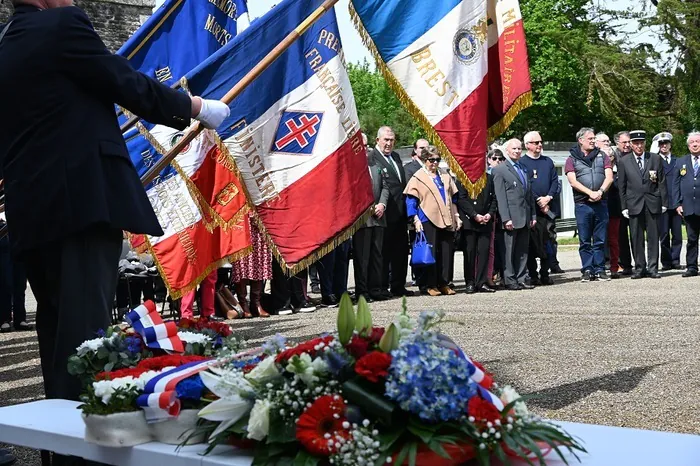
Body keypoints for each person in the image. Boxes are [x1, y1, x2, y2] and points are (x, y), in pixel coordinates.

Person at [0, 0, 230, 418]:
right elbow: (122, 80)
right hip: (81, 204)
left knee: (57, 338)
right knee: (86, 340)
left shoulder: (7, 44)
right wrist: (194, 108)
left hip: (33, 211)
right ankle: (84, 448)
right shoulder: (62, 24)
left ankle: (61, 447)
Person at [404, 146, 461, 296]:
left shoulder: (445, 175)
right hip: (427, 218)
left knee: (446, 251)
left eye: (437, 159)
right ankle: (429, 284)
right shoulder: (418, 177)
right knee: (430, 252)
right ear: (424, 160)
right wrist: (415, 219)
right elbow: (411, 201)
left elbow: (453, 198)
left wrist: (456, 216)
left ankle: (444, 282)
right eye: (431, 160)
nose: (435, 163)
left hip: (447, 217)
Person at [369, 126, 413, 298]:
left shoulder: (395, 156)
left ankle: (398, 285)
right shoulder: (372, 158)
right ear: (377, 140)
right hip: (383, 212)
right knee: (383, 251)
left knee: (401, 251)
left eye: (392, 140)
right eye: (386, 139)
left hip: (400, 213)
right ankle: (381, 286)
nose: (389, 143)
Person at [565, 128, 613, 282]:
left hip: (601, 203)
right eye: (590, 138)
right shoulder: (571, 159)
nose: (593, 141)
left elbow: (609, 177)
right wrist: (589, 193)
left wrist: (599, 191)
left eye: (594, 138)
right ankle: (587, 269)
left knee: (600, 239)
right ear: (580, 140)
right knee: (585, 240)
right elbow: (572, 181)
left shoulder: (602, 156)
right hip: (582, 204)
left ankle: (600, 269)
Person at [618, 130, 668, 279]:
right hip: (634, 204)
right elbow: (622, 186)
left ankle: (653, 268)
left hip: (652, 202)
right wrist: (624, 206)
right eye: (636, 143)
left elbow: (662, 182)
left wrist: (664, 202)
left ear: (645, 144)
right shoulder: (624, 161)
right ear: (631, 145)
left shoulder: (655, 159)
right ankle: (640, 268)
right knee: (636, 237)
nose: (639, 146)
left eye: (641, 143)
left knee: (653, 237)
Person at [493, 139, 536, 291]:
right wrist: (505, 218)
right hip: (511, 217)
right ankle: (509, 279)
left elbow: (529, 195)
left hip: (525, 216)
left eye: (519, 148)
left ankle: (522, 277)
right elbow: (500, 197)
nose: (518, 151)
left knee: (523, 250)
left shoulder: (524, 168)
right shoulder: (500, 170)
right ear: (507, 151)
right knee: (508, 251)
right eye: (514, 149)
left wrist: (533, 216)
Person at [353, 133, 390, 302]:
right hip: (363, 221)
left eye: (366, 145)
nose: (365, 148)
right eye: (362, 144)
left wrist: (382, 204)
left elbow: (385, 187)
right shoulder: (352, 168)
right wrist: (367, 207)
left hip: (379, 217)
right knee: (363, 258)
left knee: (377, 255)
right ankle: (362, 291)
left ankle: (375, 289)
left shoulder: (375, 166)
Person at [520, 131, 558, 286]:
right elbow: (526, 184)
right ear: (528, 145)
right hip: (533, 210)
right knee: (531, 244)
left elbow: (555, 181)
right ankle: (533, 274)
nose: (539, 145)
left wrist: (548, 197)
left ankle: (545, 273)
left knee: (548, 242)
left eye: (540, 142)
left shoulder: (547, 161)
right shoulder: (522, 162)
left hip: (548, 209)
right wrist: (538, 200)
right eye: (536, 143)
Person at [456, 163, 497, 293]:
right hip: (470, 222)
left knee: (484, 252)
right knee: (470, 253)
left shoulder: (489, 178)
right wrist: (474, 215)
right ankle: (470, 282)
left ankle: (481, 282)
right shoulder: (463, 178)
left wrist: (489, 214)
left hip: (486, 221)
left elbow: (494, 199)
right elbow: (461, 199)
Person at [232, 214, 278, 317]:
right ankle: (243, 303)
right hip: (241, 223)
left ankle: (256, 303)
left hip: (259, 223)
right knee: (242, 265)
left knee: (259, 262)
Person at [672, 132, 700, 277]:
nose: (695, 144)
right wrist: (677, 204)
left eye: (697, 141)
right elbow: (675, 185)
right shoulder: (680, 161)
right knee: (692, 239)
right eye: (692, 142)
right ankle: (692, 267)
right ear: (688, 145)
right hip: (689, 206)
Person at [654, 132, 683, 270]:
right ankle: (666, 261)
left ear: (670, 145)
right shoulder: (654, 161)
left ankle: (675, 259)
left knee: (677, 234)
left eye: (666, 143)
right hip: (662, 203)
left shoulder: (678, 161)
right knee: (664, 234)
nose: (663, 146)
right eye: (661, 144)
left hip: (676, 203)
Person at [0, 205, 31, 332]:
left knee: (20, 280)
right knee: (5, 281)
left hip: (18, 233)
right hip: (2, 235)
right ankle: (4, 318)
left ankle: (20, 318)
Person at [613, 131, 634, 275]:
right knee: (621, 237)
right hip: (618, 204)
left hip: (635, 202)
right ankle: (625, 265)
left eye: (629, 142)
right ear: (617, 144)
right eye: (624, 142)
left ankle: (640, 263)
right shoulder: (612, 158)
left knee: (636, 235)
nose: (627, 145)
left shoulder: (636, 157)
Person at [605, 144, 624, 278]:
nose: (608, 158)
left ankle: (614, 266)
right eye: (605, 156)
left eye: (610, 156)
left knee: (613, 240)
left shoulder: (620, 171)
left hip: (615, 210)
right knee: (600, 240)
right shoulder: (598, 172)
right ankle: (600, 266)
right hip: (600, 208)